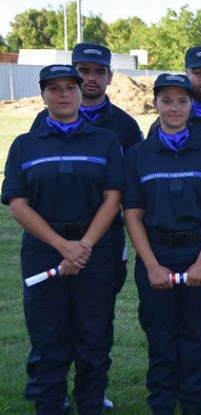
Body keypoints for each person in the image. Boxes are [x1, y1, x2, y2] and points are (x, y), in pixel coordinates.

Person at [3, 65, 123, 415]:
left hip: (94, 251)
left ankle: (90, 403)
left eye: (70, 87)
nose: (64, 95)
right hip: (44, 252)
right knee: (47, 334)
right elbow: (17, 204)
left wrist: (82, 245)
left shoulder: (104, 140)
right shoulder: (25, 144)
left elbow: (112, 198)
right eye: (54, 89)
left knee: (92, 334)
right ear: (43, 95)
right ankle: (50, 403)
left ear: (79, 91)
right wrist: (62, 246)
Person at [29, 43, 141, 413]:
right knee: (51, 327)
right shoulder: (35, 130)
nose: (89, 79)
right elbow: (24, 195)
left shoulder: (122, 128)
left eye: (97, 72)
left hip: (102, 245)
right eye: (84, 71)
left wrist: (89, 245)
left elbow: (123, 192)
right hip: (51, 245)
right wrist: (63, 244)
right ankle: (52, 394)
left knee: (95, 324)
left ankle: (92, 395)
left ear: (108, 77)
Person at [123, 73, 201, 415]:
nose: (174, 107)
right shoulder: (138, 155)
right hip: (157, 254)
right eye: (166, 101)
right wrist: (152, 265)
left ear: (191, 105)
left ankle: (194, 405)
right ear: (155, 104)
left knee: (197, 339)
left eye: (182, 101)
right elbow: (133, 215)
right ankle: (163, 405)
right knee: (162, 339)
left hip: (200, 254)